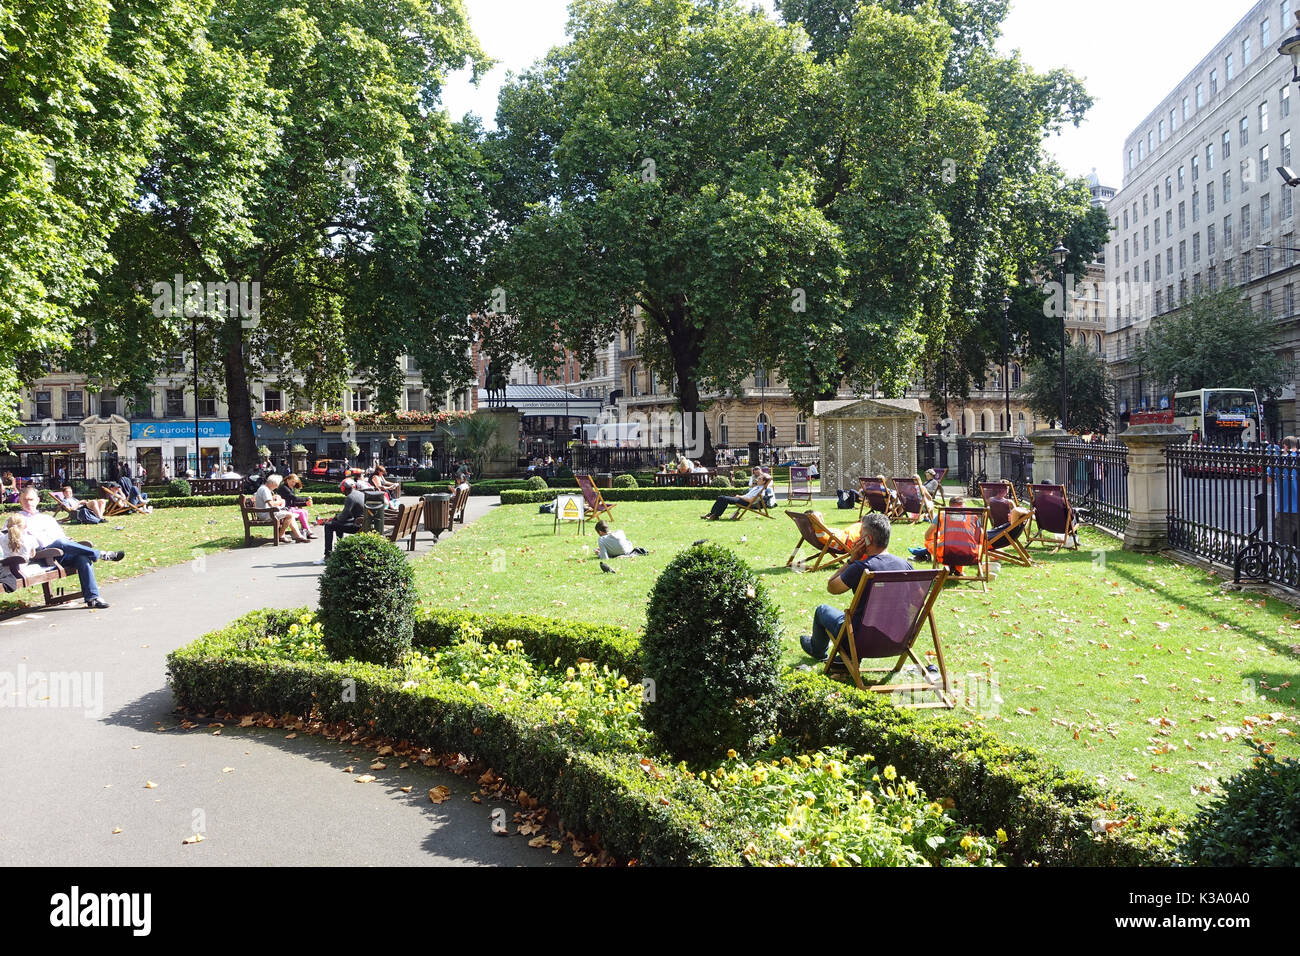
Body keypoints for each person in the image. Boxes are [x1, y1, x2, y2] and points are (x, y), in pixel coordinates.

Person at [799, 512, 912, 663]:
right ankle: (844, 659)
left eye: (860, 535)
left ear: (868, 539)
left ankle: (817, 649)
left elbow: (832, 587)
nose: (858, 538)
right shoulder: (906, 566)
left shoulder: (862, 567)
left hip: (858, 640)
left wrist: (851, 560)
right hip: (897, 639)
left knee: (822, 610)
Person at [9, 486, 124, 608]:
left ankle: (93, 598)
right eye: (25, 500)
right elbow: (10, 541)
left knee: (82, 557)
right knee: (61, 543)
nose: (28, 503)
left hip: (61, 553)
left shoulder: (47, 518)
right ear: (20, 501)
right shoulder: (16, 519)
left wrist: (69, 542)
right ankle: (100, 554)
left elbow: (62, 537)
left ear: (37, 500)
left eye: (31, 499)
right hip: (41, 555)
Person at [317, 478, 366, 562]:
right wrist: (338, 517)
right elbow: (348, 514)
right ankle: (340, 549)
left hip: (358, 526)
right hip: (363, 522)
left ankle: (327, 555)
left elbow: (343, 516)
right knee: (336, 523)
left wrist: (336, 517)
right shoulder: (360, 494)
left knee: (329, 525)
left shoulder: (350, 498)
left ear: (343, 488)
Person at [701, 467, 773, 519]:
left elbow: (751, 501)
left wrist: (739, 496)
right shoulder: (757, 487)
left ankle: (716, 516)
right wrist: (740, 496)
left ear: (763, 481)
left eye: (760, 479)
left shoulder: (760, 491)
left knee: (723, 498)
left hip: (745, 502)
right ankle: (712, 514)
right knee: (721, 497)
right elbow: (748, 496)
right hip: (742, 499)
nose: (757, 479)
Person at [254, 474, 308, 543]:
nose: (276, 487)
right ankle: (281, 535)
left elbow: (267, 502)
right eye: (276, 485)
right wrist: (281, 502)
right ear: (272, 483)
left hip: (266, 512)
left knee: (290, 515)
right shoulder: (265, 490)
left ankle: (298, 536)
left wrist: (275, 498)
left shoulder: (263, 488)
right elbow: (271, 504)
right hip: (265, 514)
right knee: (290, 515)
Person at [1269, 436, 1300, 547]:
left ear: (1285, 446)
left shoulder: (1281, 460)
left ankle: (1287, 564)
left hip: (1286, 509)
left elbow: (1268, 479)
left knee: (1283, 542)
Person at [277, 473, 316, 539]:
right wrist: (307, 498)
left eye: (295, 482)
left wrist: (305, 504)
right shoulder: (284, 488)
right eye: (292, 481)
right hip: (285, 509)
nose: (293, 484)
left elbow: (294, 502)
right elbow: (294, 498)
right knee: (301, 512)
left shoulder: (290, 488)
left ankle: (304, 531)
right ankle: (308, 531)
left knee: (304, 511)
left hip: (290, 508)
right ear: (287, 480)